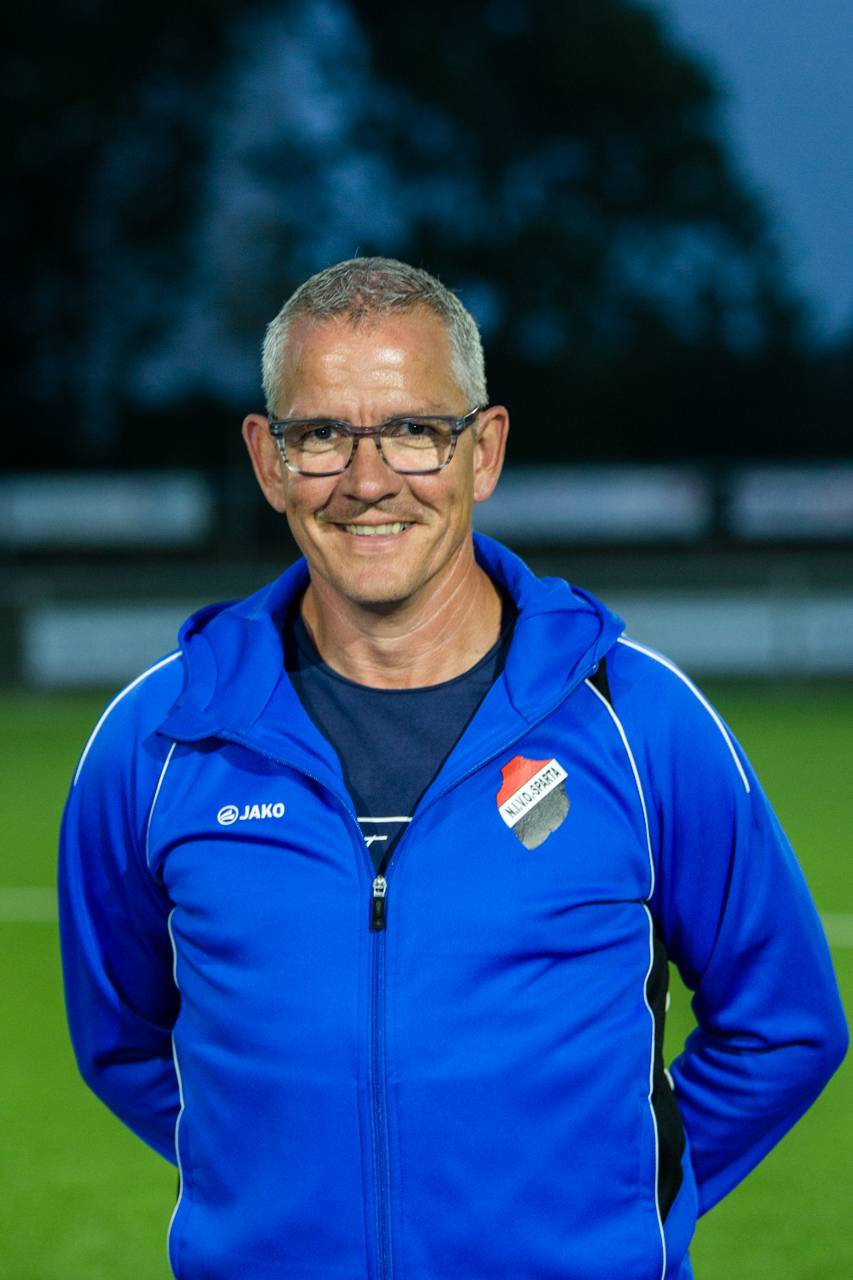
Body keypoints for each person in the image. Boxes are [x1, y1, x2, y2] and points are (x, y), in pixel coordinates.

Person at [59, 257, 847, 1280]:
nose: (367, 481)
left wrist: (612, 1199)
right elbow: (122, 1042)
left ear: (485, 450)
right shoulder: (157, 740)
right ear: (267, 458)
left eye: (413, 430)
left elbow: (782, 1026)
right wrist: (290, 1190)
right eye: (321, 435)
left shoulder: (640, 722)